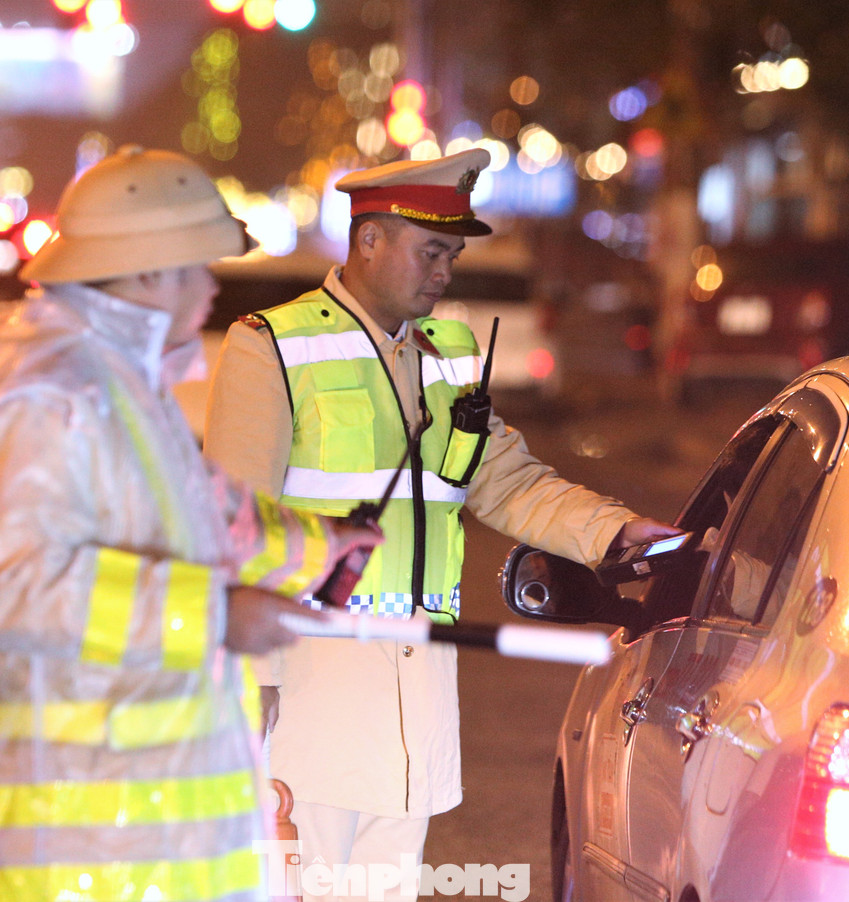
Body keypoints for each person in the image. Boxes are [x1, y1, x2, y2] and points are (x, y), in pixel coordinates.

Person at [0, 146, 380, 902]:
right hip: (82, 841)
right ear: (147, 273)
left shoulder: (119, 381)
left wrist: (322, 548)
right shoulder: (49, 395)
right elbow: (14, 586)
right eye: (197, 267)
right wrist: (213, 615)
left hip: (149, 831)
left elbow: (199, 512)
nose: (212, 287)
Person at [203, 147, 679, 898]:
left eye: (452, 253)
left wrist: (614, 533)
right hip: (309, 683)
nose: (445, 271)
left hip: (419, 682)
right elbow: (236, 526)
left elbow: (503, 481)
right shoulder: (272, 346)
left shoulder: (446, 355)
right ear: (369, 240)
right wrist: (248, 685)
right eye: (431, 251)